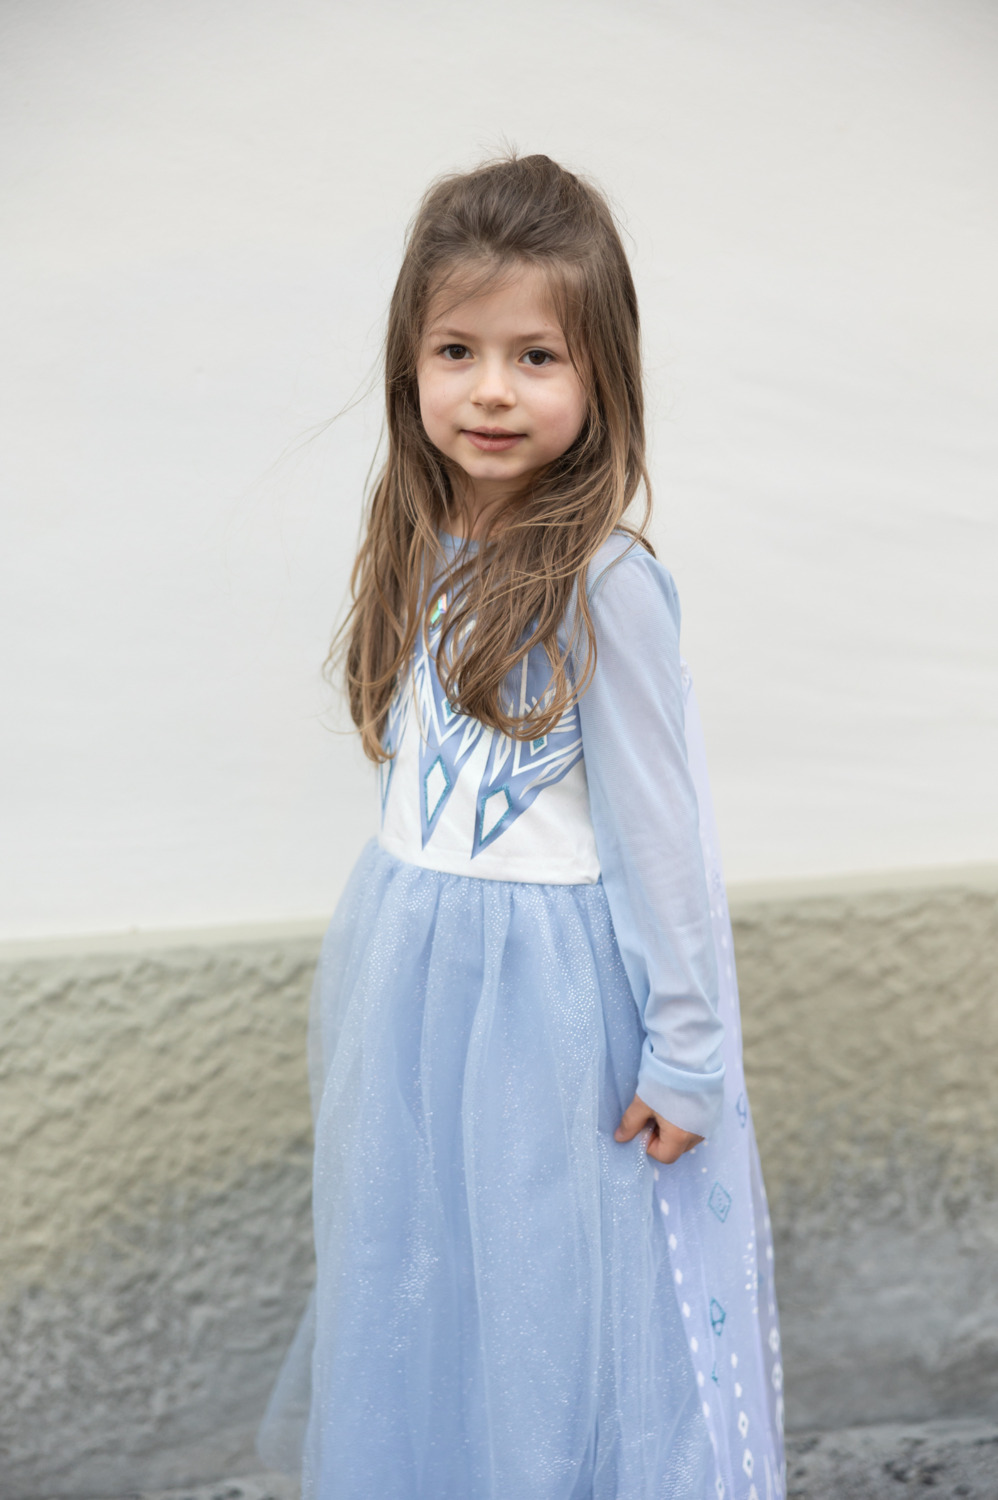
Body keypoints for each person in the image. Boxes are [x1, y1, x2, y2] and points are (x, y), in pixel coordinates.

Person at [258, 152, 784, 1500]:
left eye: (535, 355)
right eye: (458, 350)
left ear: (601, 375)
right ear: (410, 367)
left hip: (548, 1009)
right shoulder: (419, 539)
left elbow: (663, 842)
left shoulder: (604, 586)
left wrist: (687, 1054)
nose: (490, 389)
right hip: (417, 982)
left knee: (553, 1294)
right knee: (425, 1275)